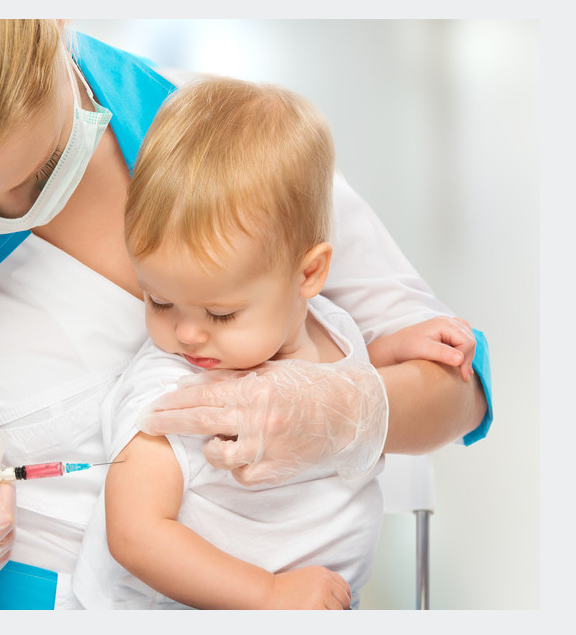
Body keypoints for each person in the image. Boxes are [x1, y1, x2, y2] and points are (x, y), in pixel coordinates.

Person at [0, 20, 493, 610]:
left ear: (54, 25)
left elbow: (460, 387)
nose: (15, 211)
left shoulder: (224, 139)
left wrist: (348, 408)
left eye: (34, 166)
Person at [71, 76, 477, 610]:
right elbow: (135, 534)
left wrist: (394, 349)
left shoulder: (328, 323)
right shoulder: (174, 392)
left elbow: (335, 382)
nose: (187, 333)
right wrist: (267, 594)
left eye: (221, 312)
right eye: (159, 301)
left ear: (308, 275)